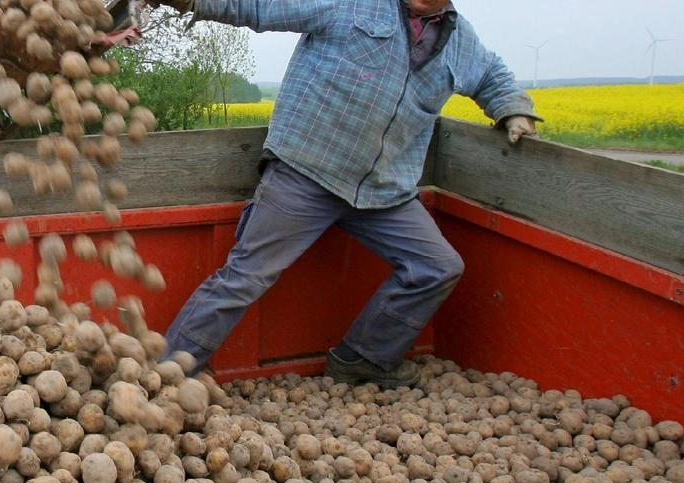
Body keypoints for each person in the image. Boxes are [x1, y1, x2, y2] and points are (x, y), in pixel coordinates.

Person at [151, 0, 540, 387]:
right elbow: (259, 5)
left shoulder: (461, 39)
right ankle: (166, 374)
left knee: (437, 267)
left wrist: (511, 108)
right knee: (245, 277)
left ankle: (364, 358)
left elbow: (490, 74)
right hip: (306, 172)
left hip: (384, 191)